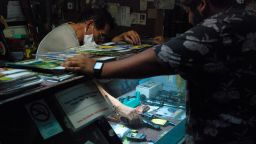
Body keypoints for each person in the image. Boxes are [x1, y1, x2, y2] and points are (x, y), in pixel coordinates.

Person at [62, 0, 256, 143]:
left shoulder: (215, 28)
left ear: (203, 4)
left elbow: (157, 60)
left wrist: (96, 66)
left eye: (188, 10)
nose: (189, 17)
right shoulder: (247, 16)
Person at [36, 8, 141, 56]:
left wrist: (117, 39)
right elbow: (87, 60)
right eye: (101, 36)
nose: (100, 41)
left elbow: (97, 46)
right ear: (90, 25)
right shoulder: (67, 40)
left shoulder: (73, 28)